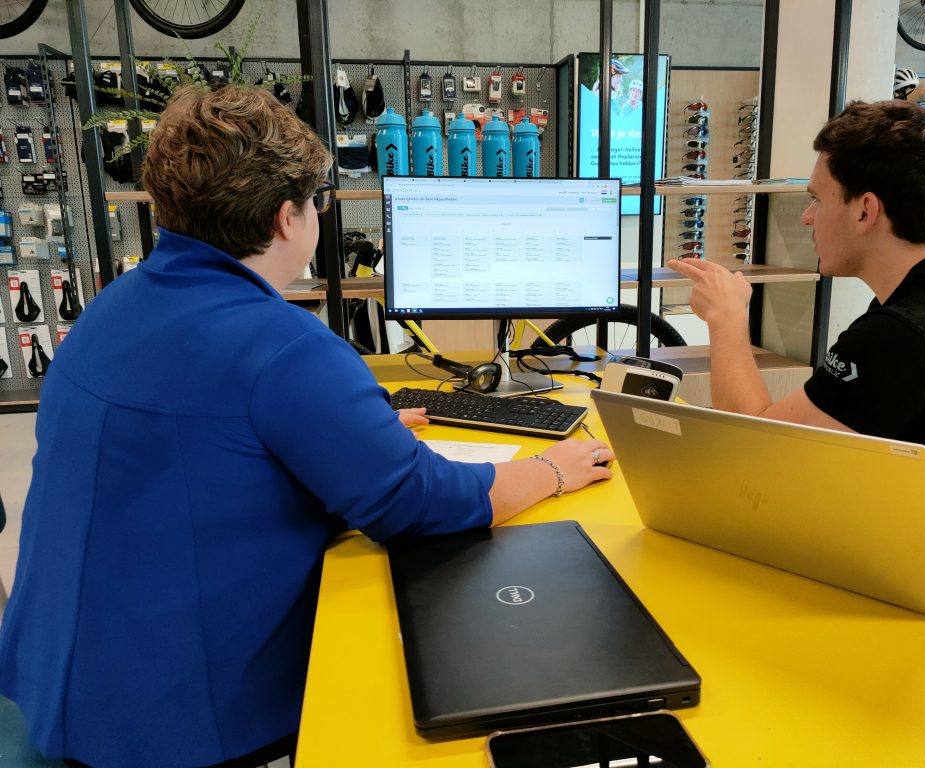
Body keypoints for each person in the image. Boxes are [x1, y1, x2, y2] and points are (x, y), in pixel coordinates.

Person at [0, 84, 615, 768]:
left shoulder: (113, 308)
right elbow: (418, 503)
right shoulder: (284, 346)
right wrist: (552, 469)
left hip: (60, 680)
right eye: (315, 201)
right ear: (285, 219)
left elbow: (197, 443)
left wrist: (350, 429)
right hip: (171, 721)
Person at [667, 99, 925, 611]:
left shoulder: (909, 332)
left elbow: (755, 449)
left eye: (817, 199)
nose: (807, 216)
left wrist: (726, 319)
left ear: (864, 210)